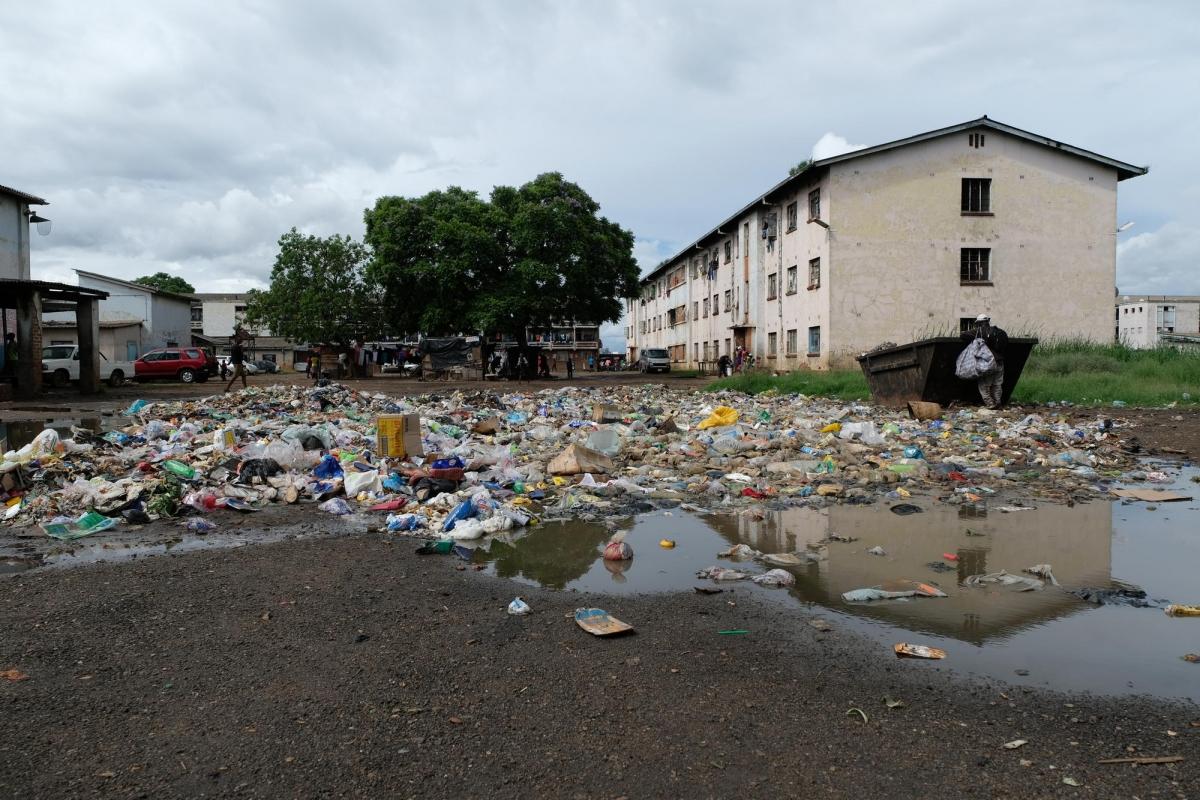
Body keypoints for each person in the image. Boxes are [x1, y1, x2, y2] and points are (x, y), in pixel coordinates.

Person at [972, 314, 1009, 408]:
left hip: (988, 363)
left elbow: (963, 335)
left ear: (980, 323)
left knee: (984, 385)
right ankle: (998, 402)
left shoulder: (980, 331)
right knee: (997, 384)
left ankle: (990, 404)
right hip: (1000, 362)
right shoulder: (1001, 332)